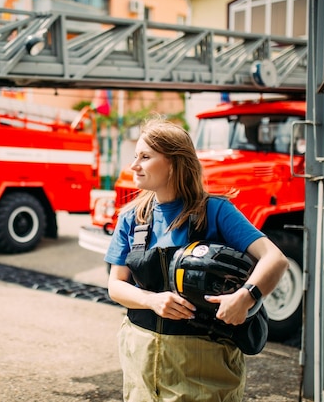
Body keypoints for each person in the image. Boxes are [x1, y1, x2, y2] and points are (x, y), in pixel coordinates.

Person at [106, 116, 289, 402]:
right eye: (135, 156)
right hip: (141, 362)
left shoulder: (216, 211)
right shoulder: (131, 217)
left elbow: (275, 259)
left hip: (204, 369)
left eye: (145, 156)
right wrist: (151, 300)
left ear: (174, 163)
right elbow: (115, 286)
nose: (134, 165)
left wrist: (246, 297)